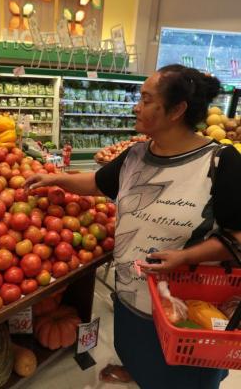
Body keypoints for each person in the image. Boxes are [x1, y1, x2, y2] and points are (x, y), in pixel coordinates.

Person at [25, 64, 241, 389]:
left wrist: (185, 257)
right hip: (131, 293)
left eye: (146, 99)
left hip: (182, 308)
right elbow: (98, 183)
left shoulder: (221, 163)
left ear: (177, 110)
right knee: (139, 356)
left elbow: (238, 236)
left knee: (182, 378)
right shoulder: (136, 155)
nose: (135, 106)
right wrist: (56, 178)